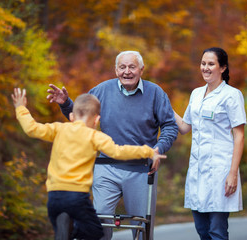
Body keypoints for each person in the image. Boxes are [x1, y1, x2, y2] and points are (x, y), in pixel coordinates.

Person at [46, 50, 178, 240]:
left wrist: (159, 148)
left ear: (141, 69)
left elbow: (169, 126)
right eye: (122, 67)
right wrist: (66, 103)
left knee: (141, 225)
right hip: (105, 167)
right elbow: (81, 120)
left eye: (132, 67)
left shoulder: (156, 93)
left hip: (141, 169)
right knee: (99, 220)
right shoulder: (101, 91)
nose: (127, 71)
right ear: (116, 70)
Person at [11, 88, 167, 240]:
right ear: (97, 119)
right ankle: (73, 230)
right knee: (95, 232)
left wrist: (21, 108)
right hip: (77, 196)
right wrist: (148, 151)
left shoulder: (59, 129)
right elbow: (119, 152)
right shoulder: (96, 137)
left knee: (62, 232)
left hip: (54, 196)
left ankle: (67, 231)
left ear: (71, 116)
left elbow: (32, 129)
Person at [173, 47, 246, 240]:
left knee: (217, 231)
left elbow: (239, 136)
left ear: (222, 68)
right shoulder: (196, 94)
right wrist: (163, 104)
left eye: (211, 64)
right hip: (197, 170)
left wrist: (232, 174)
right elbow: (184, 127)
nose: (206, 68)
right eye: (203, 63)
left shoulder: (232, 95)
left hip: (220, 171)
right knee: (201, 229)